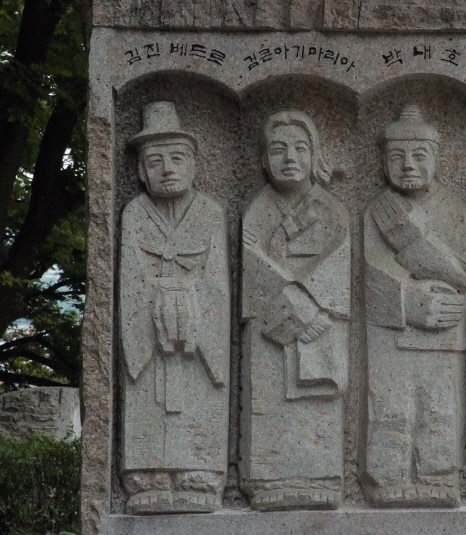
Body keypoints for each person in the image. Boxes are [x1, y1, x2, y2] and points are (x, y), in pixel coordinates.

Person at [119, 101, 230, 514]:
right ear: (141, 170)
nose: (167, 169)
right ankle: (146, 476)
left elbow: (217, 280)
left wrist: (190, 307)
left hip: (197, 335)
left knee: (201, 394)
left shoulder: (210, 212)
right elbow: (130, 279)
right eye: (156, 161)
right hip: (150, 332)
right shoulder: (134, 213)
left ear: (194, 165)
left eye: (177, 159)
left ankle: (200, 474)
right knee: (145, 395)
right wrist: (159, 305)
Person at [360, 104, 466, 507]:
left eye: (419, 155)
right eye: (397, 156)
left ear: (436, 159)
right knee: (389, 406)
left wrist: (440, 299)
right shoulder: (378, 210)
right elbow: (371, 273)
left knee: (438, 407)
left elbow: (462, 277)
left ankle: (438, 476)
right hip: (390, 331)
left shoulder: (453, 209)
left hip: (442, 331)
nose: (408, 165)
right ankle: (388, 476)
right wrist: (409, 300)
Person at [240, 110, 350, 511]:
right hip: (272, 326)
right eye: (278, 149)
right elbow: (253, 265)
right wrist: (295, 306)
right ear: (263, 158)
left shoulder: (332, 209)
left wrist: (313, 310)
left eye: (300, 149)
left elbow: (339, 264)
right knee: (268, 401)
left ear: (315, 156)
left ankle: (321, 477)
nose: (290, 158)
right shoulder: (257, 210)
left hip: (322, 324)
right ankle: (269, 478)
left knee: (319, 404)